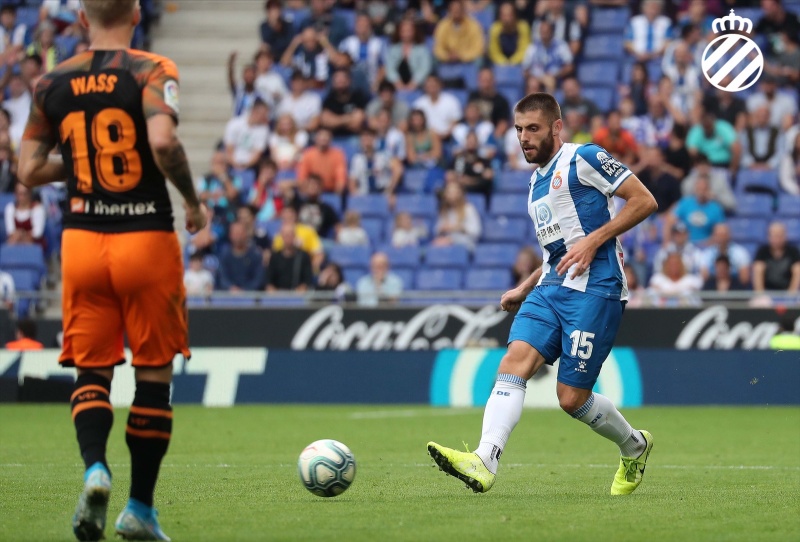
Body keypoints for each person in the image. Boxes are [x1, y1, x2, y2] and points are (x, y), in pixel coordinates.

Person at [18, 1, 207, 540]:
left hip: (81, 240)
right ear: (137, 13)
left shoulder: (52, 81)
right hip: (144, 236)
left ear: (81, 19)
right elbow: (163, 142)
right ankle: (139, 509)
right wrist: (192, 202)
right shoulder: (150, 70)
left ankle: (95, 468)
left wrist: (80, 167)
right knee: (152, 372)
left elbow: (28, 169)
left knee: (92, 370)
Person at [427, 92, 658, 497]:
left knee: (571, 399)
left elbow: (644, 200)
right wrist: (525, 284)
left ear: (556, 127)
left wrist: (594, 241)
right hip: (551, 287)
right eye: (518, 130)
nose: (523, 138)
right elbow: (559, 253)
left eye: (532, 128)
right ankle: (485, 459)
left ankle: (634, 445)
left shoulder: (584, 158)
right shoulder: (534, 182)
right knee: (515, 359)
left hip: (597, 287)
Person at [383, 17, 432, 92]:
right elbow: (390, 69)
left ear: (414, 32)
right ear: (399, 32)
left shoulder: (422, 50)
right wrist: (398, 83)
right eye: (403, 31)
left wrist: (413, 83)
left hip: (418, 86)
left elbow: (424, 69)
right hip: (396, 86)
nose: (406, 34)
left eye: (409, 31)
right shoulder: (393, 49)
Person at [223, 98, 270, 173]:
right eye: (264, 114)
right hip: (231, 163)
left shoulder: (264, 130)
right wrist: (235, 164)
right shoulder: (234, 124)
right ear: (255, 112)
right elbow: (229, 148)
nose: (266, 117)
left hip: (250, 166)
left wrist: (245, 166)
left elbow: (257, 153)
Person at [432, 181, 482, 251]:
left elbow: (476, 232)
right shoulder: (444, 211)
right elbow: (436, 230)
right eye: (449, 192)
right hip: (446, 244)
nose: (451, 195)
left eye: (454, 192)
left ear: (460, 193)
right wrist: (442, 228)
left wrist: (459, 228)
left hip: (465, 245)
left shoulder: (468, 209)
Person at [321, 68, 370, 139]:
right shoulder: (329, 100)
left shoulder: (357, 97)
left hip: (355, 137)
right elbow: (326, 122)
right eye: (337, 79)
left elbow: (358, 121)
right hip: (334, 138)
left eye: (342, 78)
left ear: (349, 81)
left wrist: (336, 120)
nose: (340, 81)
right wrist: (349, 119)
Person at [296, 128, 348, 195]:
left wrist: (337, 194)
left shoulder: (338, 154)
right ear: (316, 139)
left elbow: (341, 178)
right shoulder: (308, 154)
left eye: (326, 136)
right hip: (312, 191)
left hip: (331, 191)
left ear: (330, 139)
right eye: (321, 136)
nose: (323, 139)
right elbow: (302, 177)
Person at [432, 0, 485, 64]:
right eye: (454, 10)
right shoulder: (443, 25)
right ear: (449, 11)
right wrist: (447, 56)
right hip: (448, 59)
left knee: (479, 60)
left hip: (468, 60)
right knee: (434, 59)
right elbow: (438, 48)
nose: (456, 12)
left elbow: (478, 48)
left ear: (463, 11)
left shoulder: (473, 25)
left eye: (458, 10)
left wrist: (461, 56)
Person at [217, 222, 265, 292]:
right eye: (235, 234)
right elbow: (222, 278)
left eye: (240, 233)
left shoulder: (255, 255)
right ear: (230, 235)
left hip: (251, 297)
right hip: (228, 297)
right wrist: (231, 288)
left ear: (246, 234)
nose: (238, 237)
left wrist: (245, 290)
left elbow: (258, 279)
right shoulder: (224, 255)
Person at [753, 222, 800, 293]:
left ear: (785, 236)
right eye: (774, 236)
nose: (777, 239)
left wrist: (791, 294)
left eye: (779, 236)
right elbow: (757, 271)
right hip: (767, 292)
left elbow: (797, 272)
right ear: (768, 237)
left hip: (789, 292)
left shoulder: (793, 251)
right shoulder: (762, 251)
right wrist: (760, 294)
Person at [266, 222, 313, 292]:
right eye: (286, 235)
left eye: (290, 235)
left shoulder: (303, 256)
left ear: (294, 236)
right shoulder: (274, 257)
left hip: (297, 296)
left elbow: (307, 280)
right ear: (281, 236)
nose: (288, 238)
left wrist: (301, 289)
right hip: (278, 296)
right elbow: (269, 281)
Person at [412, 74, 462, 141]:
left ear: (440, 85)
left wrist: (446, 134)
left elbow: (455, 120)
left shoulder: (451, 100)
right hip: (426, 138)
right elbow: (416, 123)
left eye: (434, 85)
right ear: (425, 87)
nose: (432, 87)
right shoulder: (419, 104)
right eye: (429, 85)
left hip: (448, 137)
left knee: (460, 130)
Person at [488, 1, 530, 66]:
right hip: (500, 65)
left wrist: (513, 62)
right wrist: (504, 62)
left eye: (509, 15)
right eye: (504, 15)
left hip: (519, 64)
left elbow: (524, 49)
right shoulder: (495, 29)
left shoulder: (523, 27)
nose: (506, 19)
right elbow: (494, 52)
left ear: (515, 15)